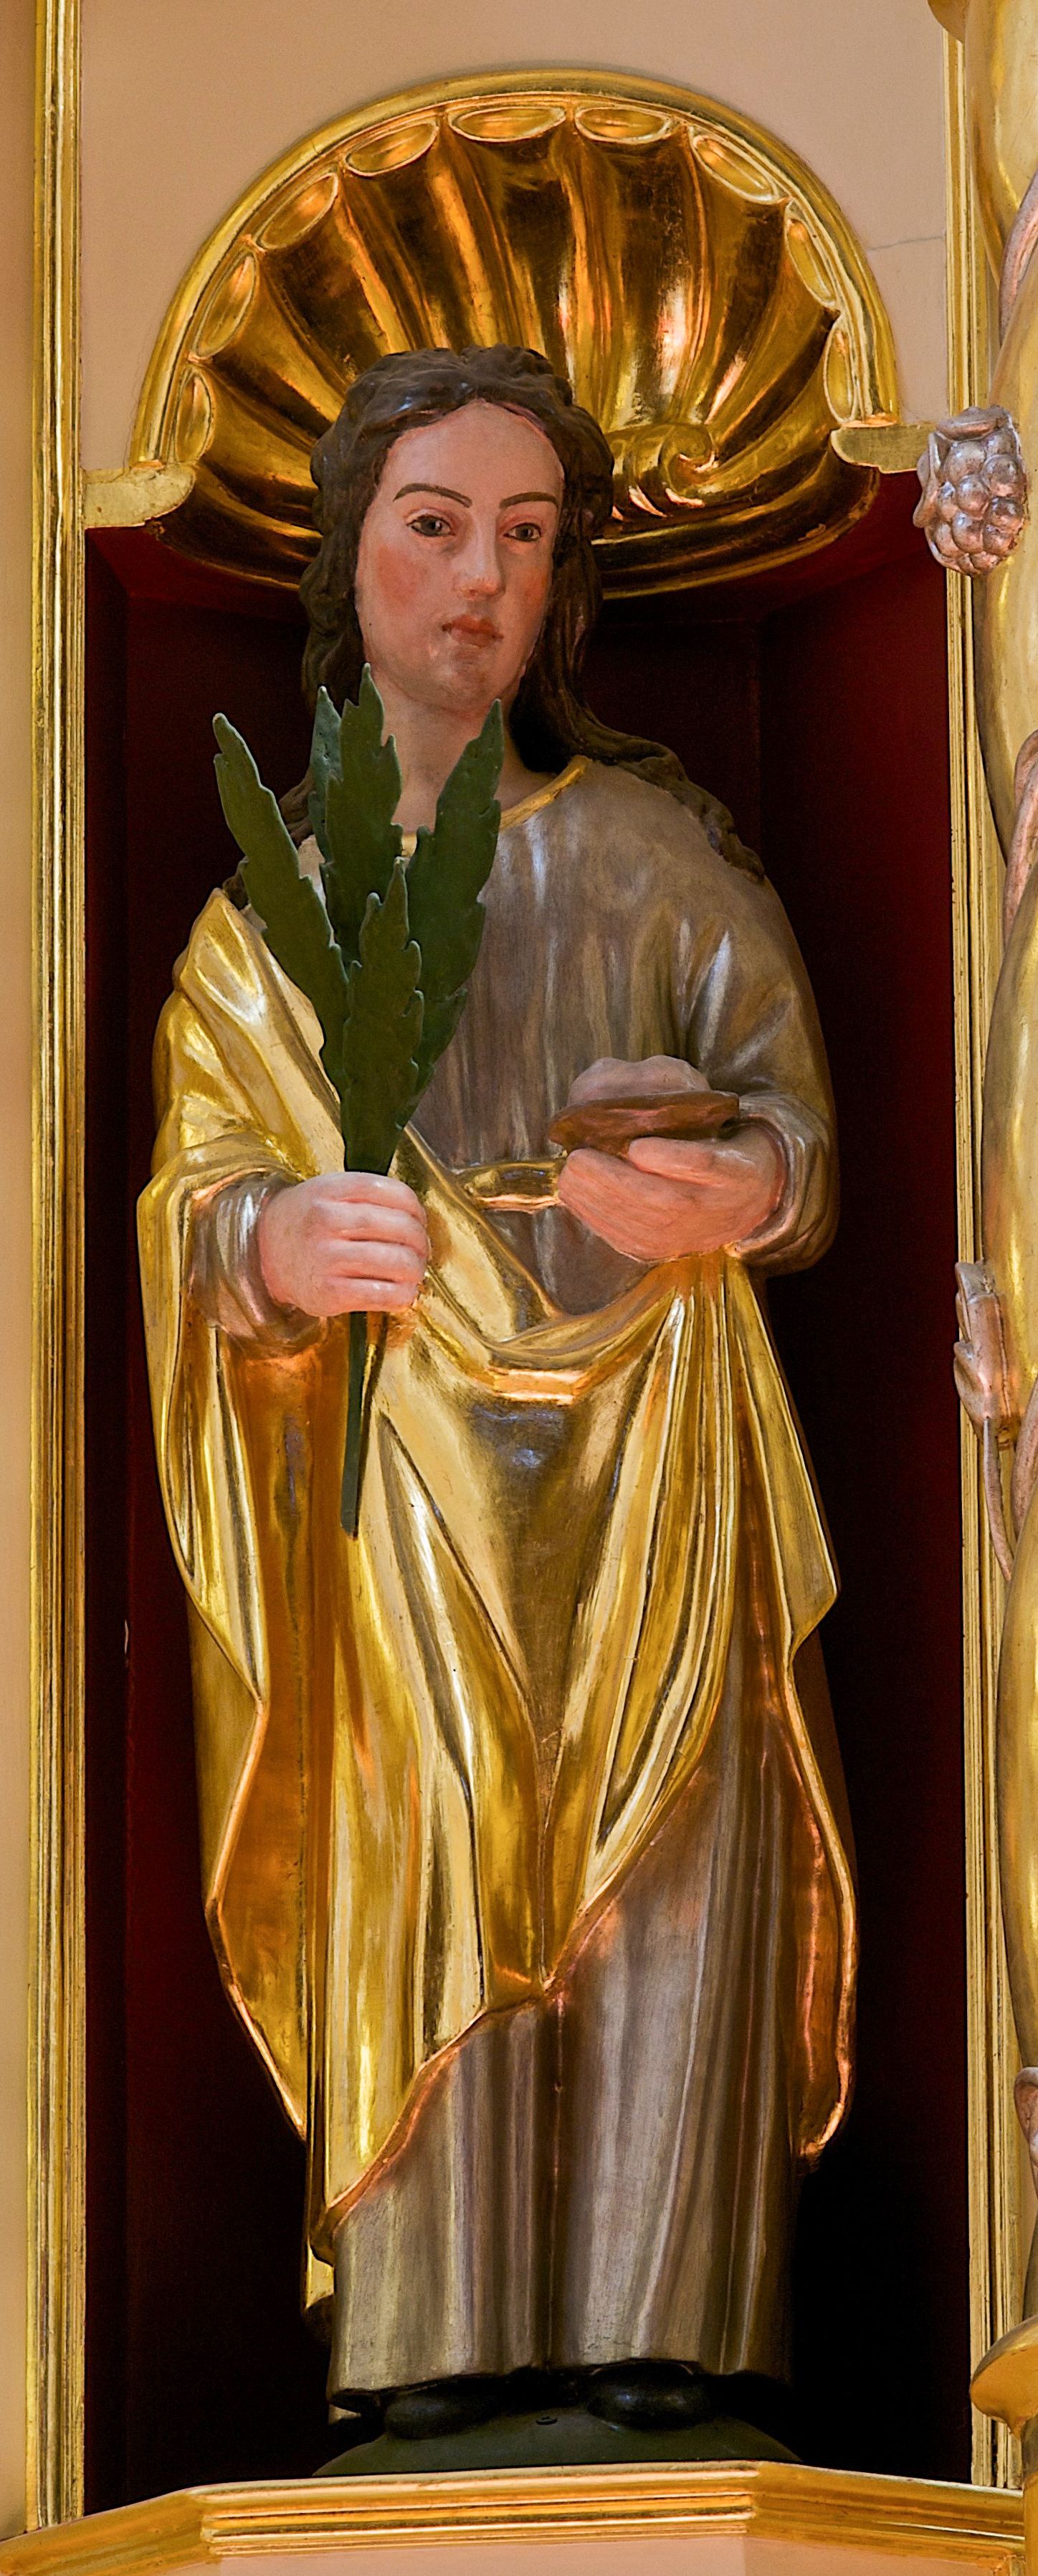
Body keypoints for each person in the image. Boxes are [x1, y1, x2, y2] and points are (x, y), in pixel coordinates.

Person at [138, 345, 855, 2450]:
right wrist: (274, 1241)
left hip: (660, 1450)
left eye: (525, 539)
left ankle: (669, 2329)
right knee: (425, 1851)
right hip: (409, 1480)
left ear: (566, 582)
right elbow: (195, 1190)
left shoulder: (656, 854)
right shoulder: (276, 916)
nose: (480, 581)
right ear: (348, 559)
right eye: (436, 527)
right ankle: (430, 2343)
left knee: (671, 1871)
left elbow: (800, 1131)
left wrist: (740, 1183)